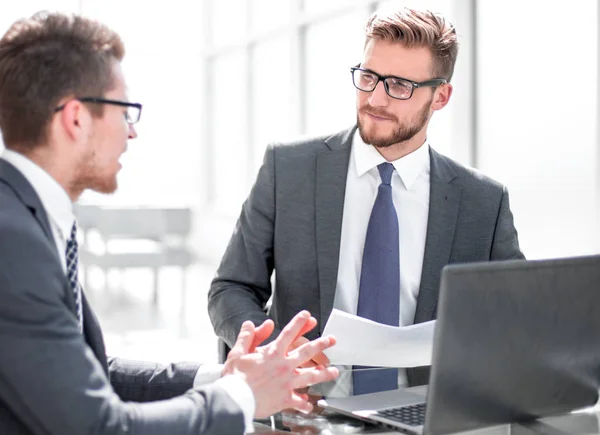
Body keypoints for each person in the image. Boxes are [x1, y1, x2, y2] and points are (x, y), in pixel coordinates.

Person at [0, 11, 339, 435]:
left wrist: (224, 380)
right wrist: (242, 396)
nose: (132, 132)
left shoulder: (24, 217)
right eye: (125, 111)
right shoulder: (12, 239)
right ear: (75, 119)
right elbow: (97, 427)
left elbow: (79, 372)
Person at [208, 5, 524, 393]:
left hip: (428, 414)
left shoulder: (483, 203)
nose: (376, 98)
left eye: (400, 86)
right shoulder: (288, 169)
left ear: (440, 96)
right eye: (369, 76)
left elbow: (513, 317)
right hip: (307, 412)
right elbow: (231, 288)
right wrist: (277, 354)